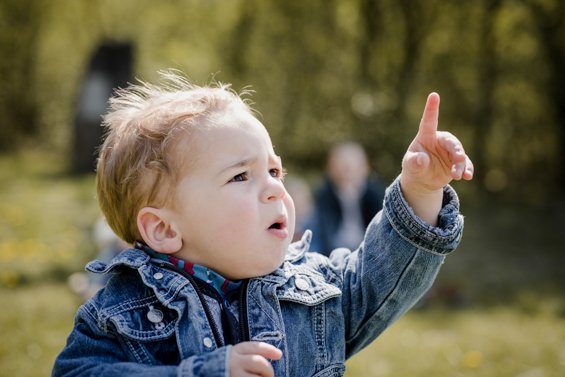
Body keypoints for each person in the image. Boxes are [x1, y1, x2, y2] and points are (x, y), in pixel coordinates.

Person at [52, 70, 473, 377]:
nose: (274, 190)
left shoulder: (314, 291)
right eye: (240, 176)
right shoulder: (125, 315)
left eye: (274, 171)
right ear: (164, 229)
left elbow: (380, 276)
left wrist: (421, 190)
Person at [309, 141, 385, 255]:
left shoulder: (375, 193)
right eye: (343, 167)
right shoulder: (324, 194)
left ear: (365, 168)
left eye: (351, 167)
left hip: (368, 249)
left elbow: (381, 230)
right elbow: (324, 231)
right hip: (334, 250)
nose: (347, 173)